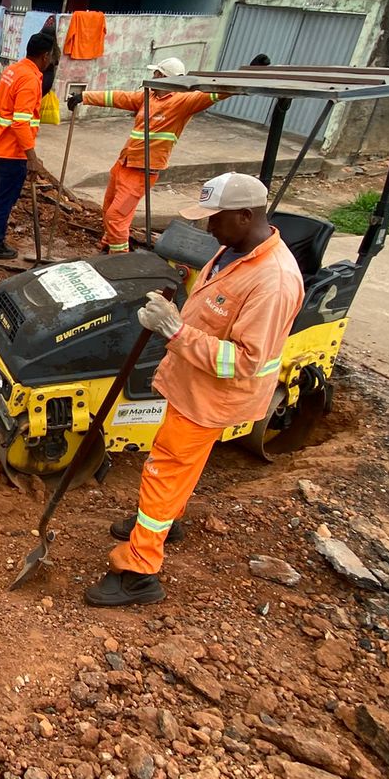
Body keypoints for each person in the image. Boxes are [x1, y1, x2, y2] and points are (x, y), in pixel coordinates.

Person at [86, 173, 303, 607]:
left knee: (164, 471)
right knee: (177, 469)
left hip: (211, 396)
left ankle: (139, 571)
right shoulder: (233, 249)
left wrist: (175, 329)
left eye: (215, 218)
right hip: (192, 380)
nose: (208, 228)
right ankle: (167, 521)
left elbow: (245, 361)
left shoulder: (273, 282)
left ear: (245, 215)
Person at [76, 56, 246, 254]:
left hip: (142, 170)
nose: (152, 76)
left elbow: (214, 94)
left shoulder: (183, 102)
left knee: (116, 216)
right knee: (110, 209)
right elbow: (119, 97)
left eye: (156, 73)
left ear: (164, 77)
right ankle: (110, 239)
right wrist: (84, 97)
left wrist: (246, 73)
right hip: (124, 163)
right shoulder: (148, 97)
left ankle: (119, 257)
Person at [0, 31, 55, 259]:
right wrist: (32, 158)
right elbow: (20, 123)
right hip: (12, 151)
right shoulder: (29, 79)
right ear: (45, 56)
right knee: (5, 199)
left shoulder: (13, 70)